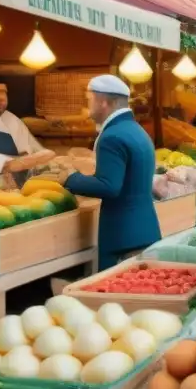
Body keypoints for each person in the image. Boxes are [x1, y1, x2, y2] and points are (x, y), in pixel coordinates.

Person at [60, 76, 160, 269]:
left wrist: (71, 178)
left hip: (123, 240)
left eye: (90, 99)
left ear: (103, 102)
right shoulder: (137, 131)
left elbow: (109, 186)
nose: (87, 105)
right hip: (144, 231)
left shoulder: (111, 137)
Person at [0, 82, 46, 189]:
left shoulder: (11, 120)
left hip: (11, 191)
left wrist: (35, 158)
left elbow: (34, 151)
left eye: (4, 94)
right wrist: (7, 164)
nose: (2, 101)